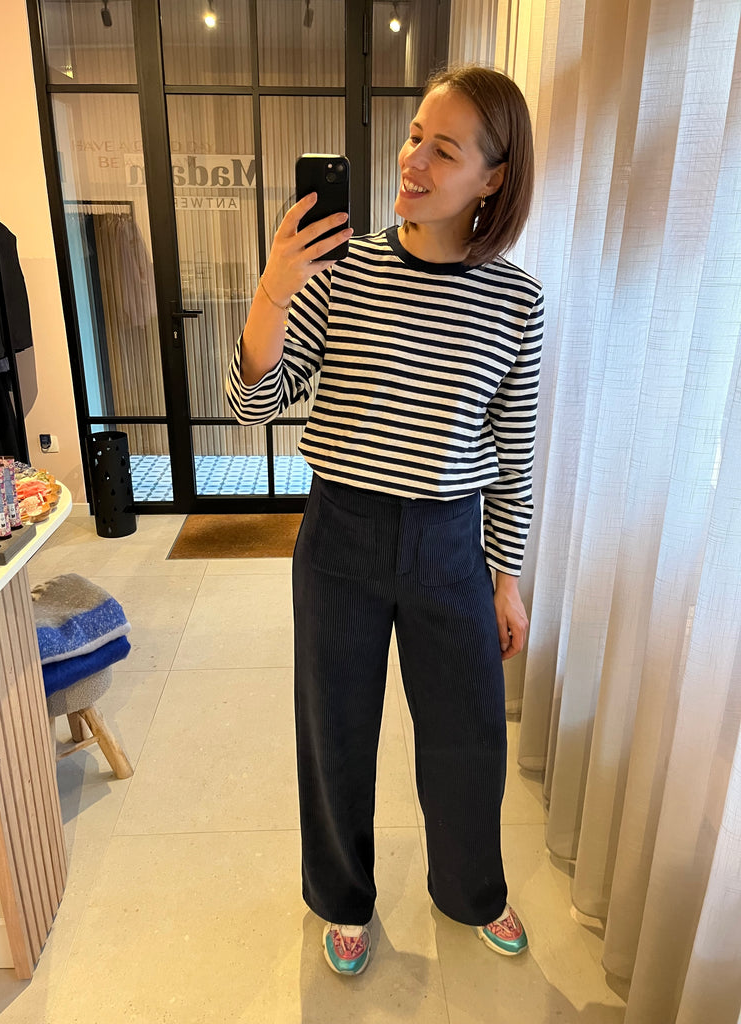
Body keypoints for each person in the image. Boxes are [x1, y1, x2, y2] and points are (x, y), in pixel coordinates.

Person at [227, 63, 544, 977]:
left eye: (443, 149)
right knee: (334, 730)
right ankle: (342, 898)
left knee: (469, 734)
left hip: (449, 543)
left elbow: (514, 455)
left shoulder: (516, 299)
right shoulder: (343, 269)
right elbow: (255, 405)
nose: (413, 160)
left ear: (492, 177)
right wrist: (274, 289)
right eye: (413, 137)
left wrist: (506, 579)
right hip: (342, 536)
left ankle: (471, 890)